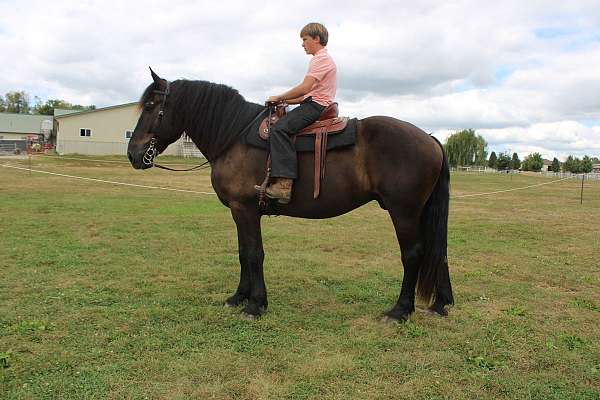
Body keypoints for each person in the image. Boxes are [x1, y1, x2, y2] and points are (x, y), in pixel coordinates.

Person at [259, 22, 337, 204]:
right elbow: (304, 96)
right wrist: (282, 100)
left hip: (316, 106)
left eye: (305, 39)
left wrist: (279, 96)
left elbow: (304, 88)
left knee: (279, 129)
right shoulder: (321, 59)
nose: (302, 44)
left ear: (316, 39)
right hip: (313, 102)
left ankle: (284, 185)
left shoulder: (321, 59)